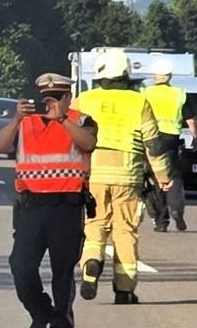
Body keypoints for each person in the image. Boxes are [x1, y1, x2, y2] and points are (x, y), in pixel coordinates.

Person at [0, 73, 96, 328]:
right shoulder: (26, 122)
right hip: (32, 208)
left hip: (66, 208)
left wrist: (62, 120)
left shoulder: (81, 120)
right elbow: (0, 146)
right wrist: (16, 118)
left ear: (68, 98)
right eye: (46, 99)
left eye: (57, 98)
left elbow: (88, 144)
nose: (50, 103)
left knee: (63, 272)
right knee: (21, 266)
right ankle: (40, 311)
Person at [71, 49, 177, 303]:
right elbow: (153, 145)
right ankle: (124, 290)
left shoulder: (84, 100)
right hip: (127, 175)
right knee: (125, 231)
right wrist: (163, 176)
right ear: (126, 73)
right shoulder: (139, 102)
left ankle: (91, 262)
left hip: (94, 172)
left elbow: (70, 136)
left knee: (94, 225)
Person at [142, 66, 189, 232]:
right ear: (170, 76)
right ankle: (176, 209)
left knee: (155, 178)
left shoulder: (146, 93)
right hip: (171, 139)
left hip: (151, 138)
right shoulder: (179, 93)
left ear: (155, 75)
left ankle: (161, 221)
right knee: (173, 175)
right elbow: (191, 120)